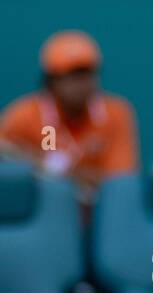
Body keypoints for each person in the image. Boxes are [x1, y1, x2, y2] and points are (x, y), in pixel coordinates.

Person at [0, 30, 139, 219]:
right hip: (40, 218)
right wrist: (45, 167)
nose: (83, 84)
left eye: (88, 74)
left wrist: (55, 171)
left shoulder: (116, 112)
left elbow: (118, 184)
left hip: (97, 219)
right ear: (51, 81)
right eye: (72, 75)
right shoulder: (23, 114)